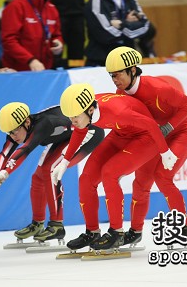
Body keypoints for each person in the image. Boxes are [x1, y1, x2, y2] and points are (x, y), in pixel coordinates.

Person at [51, 83, 177, 251]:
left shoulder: (118, 112)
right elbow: (79, 131)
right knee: (86, 179)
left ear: (90, 110)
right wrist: (65, 162)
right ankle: (92, 232)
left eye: (75, 117)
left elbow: (151, 125)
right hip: (121, 134)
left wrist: (165, 152)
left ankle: (116, 233)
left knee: (109, 173)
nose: (72, 121)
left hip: (146, 138)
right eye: (69, 117)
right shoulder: (85, 111)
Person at [105, 46, 187, 245]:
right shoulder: (120, 92)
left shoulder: (158, 88)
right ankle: (136, 231)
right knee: (140, 183)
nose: (115, 80)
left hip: (181, 132)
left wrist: (169, 126)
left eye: (118, 74)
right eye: (111, 76)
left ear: (133, 70)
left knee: (162, 177)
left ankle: (184, 226)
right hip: (154, 138)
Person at [0, 102, 104, 243]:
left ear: (26, 122)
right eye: (9, 133)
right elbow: (5, 153)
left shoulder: (44, 125)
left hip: (88, 131)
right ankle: (38, 223)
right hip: (65, 137)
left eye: (14, 131)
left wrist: (4, 173)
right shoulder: (18, 128)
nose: (13, 136)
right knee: (38, 177)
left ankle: (57, 225)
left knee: (50, 170)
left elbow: (24, 150)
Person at [84, 0, 150, 67]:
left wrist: (121, 24)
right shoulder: (96, 1)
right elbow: (105, 35)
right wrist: (130, 25)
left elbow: (146, 26)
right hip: (101, 61)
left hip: (126, 60)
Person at [1, 0, 63, 71]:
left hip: (44, 70)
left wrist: (58, 44)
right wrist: (30, 60)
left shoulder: (52, 9)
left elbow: (56, 35)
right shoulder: (16, 7)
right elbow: (9, 41)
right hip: (18, 71)